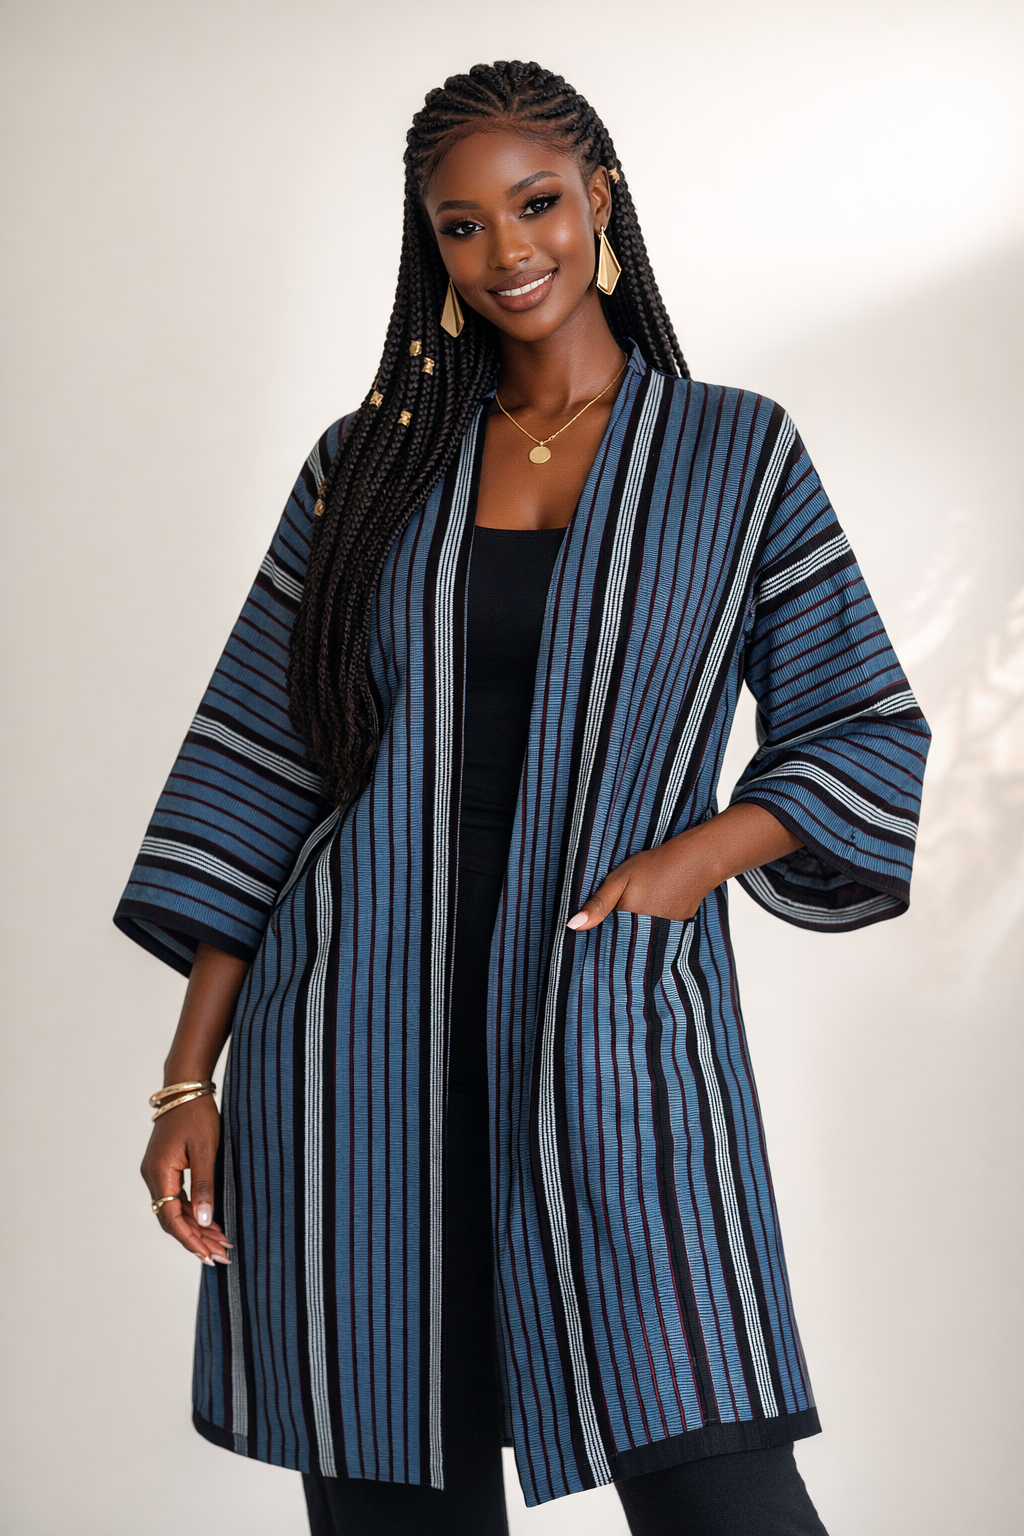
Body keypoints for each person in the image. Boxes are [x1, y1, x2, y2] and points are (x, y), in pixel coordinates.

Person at [117, 61, 929, 1536]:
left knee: (717, 1470)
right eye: (462, 225)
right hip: (354, 1051)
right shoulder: (366, 469)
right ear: (430, 248)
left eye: (537, 203)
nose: (507, 251)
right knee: (390, 1479)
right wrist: (189, 1079)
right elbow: (258, 772)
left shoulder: (734, 455)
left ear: (600, 198)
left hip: (612, 1023)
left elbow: (862, 727)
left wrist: (694, 860)